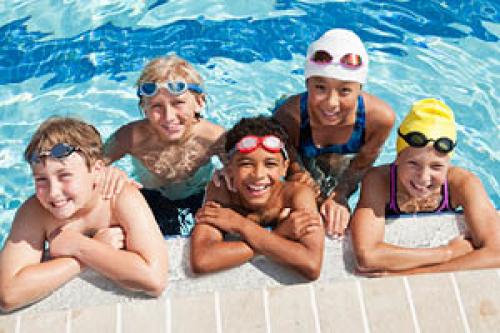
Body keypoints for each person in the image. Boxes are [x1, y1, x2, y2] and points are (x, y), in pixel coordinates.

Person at [0, 117, 168, 313]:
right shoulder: (35, 211)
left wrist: (78, 246)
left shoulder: (119, 197)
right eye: (41, 179)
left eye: (64, 176)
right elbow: (8, 294)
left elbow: (154, 279)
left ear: (97, 171)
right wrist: (81, 257)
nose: (53, 192)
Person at [351, 98, 500, 276]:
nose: (423, 178)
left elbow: (496, 253)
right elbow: (367, 256)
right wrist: (446, 252)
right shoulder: (378, 181)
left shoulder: (462, 183)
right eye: (413, 164)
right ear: (398, 159)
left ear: (448, 163)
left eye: (436, 167)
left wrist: (406, 274)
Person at [273, 28, 395, 238]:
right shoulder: (289, 116)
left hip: (343, 158)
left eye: (345, 90)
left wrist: (340, 196)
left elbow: (361, 166)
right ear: (307, 84)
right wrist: (315, 195)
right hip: (304, 150)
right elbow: (292, 165)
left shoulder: (379, 119)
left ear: (360, 89)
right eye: (320, 87)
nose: (331, 102)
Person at [103, 54, 225, 236]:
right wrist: (108, 172)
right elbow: (89, 166)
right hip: (151, 197)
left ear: (199, 103)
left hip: (200, 196)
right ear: (144, 108)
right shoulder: (130, 137)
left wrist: (229, 172)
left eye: (178, 103)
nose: (169, 117)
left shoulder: (214, 138)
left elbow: (242, 169)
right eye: (156, 106)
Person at [191, 116, 325, 280]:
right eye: (246, 164)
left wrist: (240, 225)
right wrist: (281, 233)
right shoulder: (221, 190)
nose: (258, 175)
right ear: (229, 168)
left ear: (285, 168)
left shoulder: (297, 194)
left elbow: (311, 265)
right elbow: (202, 260)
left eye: (270, 164)